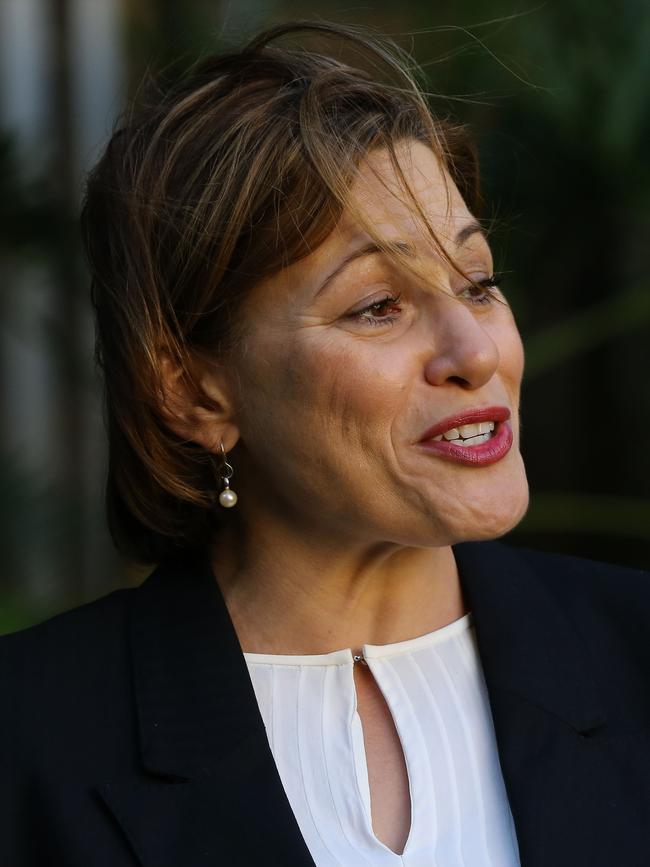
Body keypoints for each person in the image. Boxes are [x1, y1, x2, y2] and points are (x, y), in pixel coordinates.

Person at [2, 20, 649, 867]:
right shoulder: (29, 740)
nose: (477, 351)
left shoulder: (635, 656)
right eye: (379, 305)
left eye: (478, 283)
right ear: (193, 389)